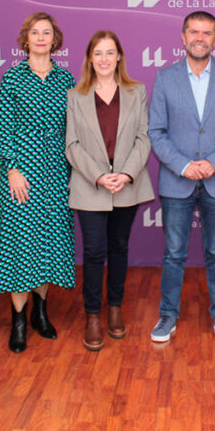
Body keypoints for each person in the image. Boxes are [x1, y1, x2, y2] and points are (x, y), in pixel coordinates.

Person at [149, 11, 215, 343]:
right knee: (174, 252)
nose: (200, 38)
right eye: (194, 31)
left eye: (207, 33)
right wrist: (184, 165)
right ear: (183, 36)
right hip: (177, 180)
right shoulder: (165, 78)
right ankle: (167, 316)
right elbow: (157, 132)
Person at [66, 31, 154, 351]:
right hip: (92, 185)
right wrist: (100, 175)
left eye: (110, 52)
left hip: (126, 183)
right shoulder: (75, 96)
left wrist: (126, 174)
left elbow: (144, 138)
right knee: (93, 251)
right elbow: (72, 145)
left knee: (118, 247)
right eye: (98, 53)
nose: (104, 59)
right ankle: (92, 315)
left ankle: (114, 308)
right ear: (90, 58)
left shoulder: (137, 91)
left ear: (119, 57)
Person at [0, 12, 76, 353]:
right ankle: (18, 320)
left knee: (49, 245)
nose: (41, 38)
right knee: (20, 247)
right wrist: (11, 170)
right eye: (34, 32)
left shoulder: (67, 80)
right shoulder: (12, 80)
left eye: (47, 32)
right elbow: (3, 128)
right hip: (21, 177)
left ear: (54, 39)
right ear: (25, 39)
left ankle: (41, 314)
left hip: (57, 174)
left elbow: (77, 130)